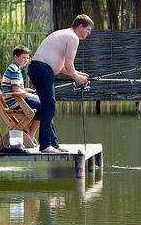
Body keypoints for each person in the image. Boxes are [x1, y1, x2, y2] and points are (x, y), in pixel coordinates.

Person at [28, 14, 93, 153]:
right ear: (80, 26)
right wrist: (77, 78)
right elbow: (69, 64)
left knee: (47, 106)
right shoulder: (73, 37)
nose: (88, 33)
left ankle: (53, 144)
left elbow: (62, 67)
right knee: (50, 106)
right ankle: (45, 146)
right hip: (42, 70)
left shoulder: (65, 34)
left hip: (38, 69)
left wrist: (78, 74)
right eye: (88, 30)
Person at [1, 45, 41, 147]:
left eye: (27, 58)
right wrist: (30, 95)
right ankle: (30, 135)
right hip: (16, 101)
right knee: (43, 107)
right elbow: (16, 90)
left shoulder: (15, 68)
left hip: (16, 99)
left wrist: (27, 91)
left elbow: (17, 88)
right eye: (23, 57)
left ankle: (29, 134)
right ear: (15, 57)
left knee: (40, 106)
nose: (26, 60)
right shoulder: (14, 69)